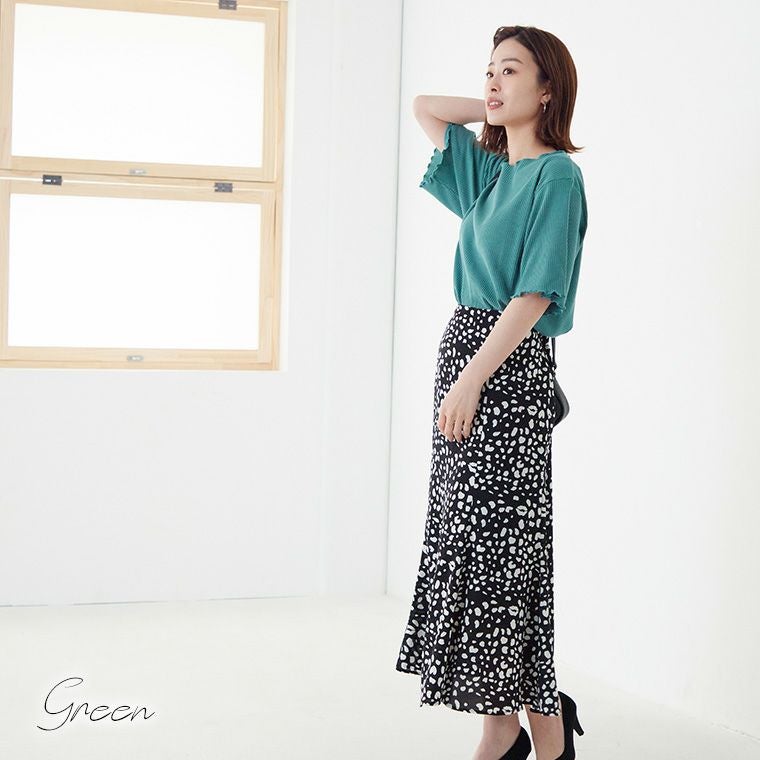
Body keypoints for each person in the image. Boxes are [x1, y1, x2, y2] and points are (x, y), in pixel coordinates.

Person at [394, 25, 589, 760]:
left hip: (502, 366)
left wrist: (474, 377)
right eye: (488, 71)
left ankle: (513, 725)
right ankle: (533, 720)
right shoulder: (490, 173)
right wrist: (496, 106)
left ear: (549, 88)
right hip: (465, 354)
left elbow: (536, 294)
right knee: (471, 543)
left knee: (503, 549)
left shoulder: (556, 178)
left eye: (511, 71)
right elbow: (425, 106)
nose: (492, 82)